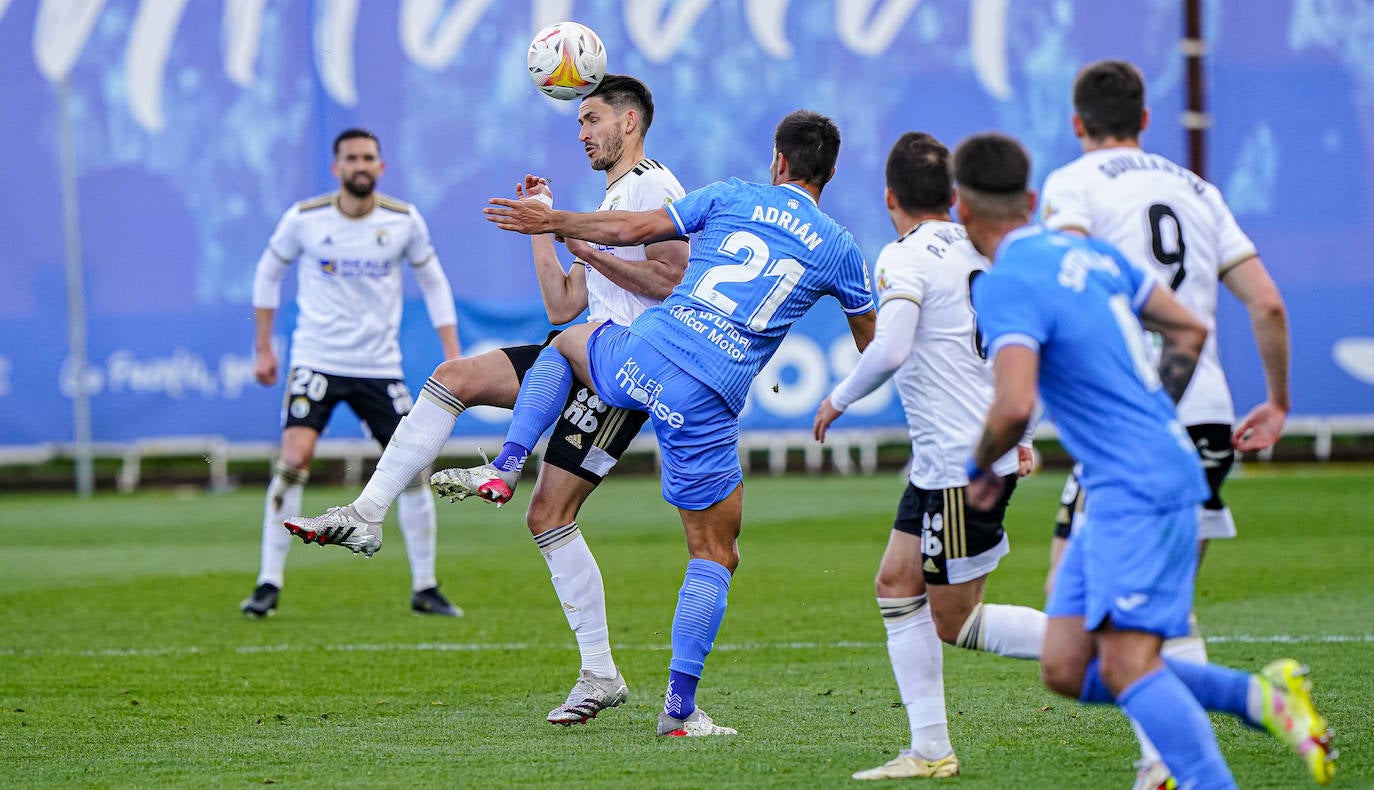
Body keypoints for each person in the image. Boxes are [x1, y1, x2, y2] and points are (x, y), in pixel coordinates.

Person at [434, 109, 877, 737]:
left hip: (644, 354)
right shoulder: (839, 247)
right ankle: (678, 709)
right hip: (706, 396)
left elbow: (632, 226)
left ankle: (507, 465)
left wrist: (553, 221)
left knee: (566, 344)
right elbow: (875, 345)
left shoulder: (731, 195)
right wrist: (857, 390)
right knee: (714, 552)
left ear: (776, 161)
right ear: (829, 172)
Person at [284, 76, 690, 725]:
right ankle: (366, 514)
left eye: (590, 119)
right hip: (583, 351)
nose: (581, 132)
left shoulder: (654, 188)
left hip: (627, 369)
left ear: (630, 121)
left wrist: (586, 244)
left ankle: (599, 671)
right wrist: (546, 224)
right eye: (579, 122)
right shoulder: (613, 195)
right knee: (455, 378)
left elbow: (671, 282)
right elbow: (562, 305)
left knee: (548, 512)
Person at [957, 132, 1335, 789]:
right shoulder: (1094, 256)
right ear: (1032, 199)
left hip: (1139, 485)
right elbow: (1190, 327)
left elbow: (1014, 405)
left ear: (961, 208)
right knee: (1066, 664)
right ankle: (1258, 700)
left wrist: (979, 469)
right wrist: (1154, 410)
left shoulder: (1005, 283)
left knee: (1130, 663)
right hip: (1128, 477)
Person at [1039, 59, 1293, 788]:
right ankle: (1202, 736)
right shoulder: (1198, 189)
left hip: (1133, 419)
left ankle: (1170, 766)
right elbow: (1267, 303)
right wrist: (1276, 403)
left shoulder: (1075, 184)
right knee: (1156, 615)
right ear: (1145, 120)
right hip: (1209, 417)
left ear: (1077, 123)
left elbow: (1075, 276)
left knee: (1078, 618)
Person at [812, 132, 1046, 780]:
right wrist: (1025, 434)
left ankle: (1100, 647)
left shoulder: (903, 255)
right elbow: (1022, 348)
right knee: (895, 583)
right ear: (953, 196)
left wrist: (836, 398)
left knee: (956, 620)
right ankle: (929, 748)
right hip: (953, 459)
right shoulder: (984, 252)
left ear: (891, 197)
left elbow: (888, 349)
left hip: (959, 466)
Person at [240, 128, 463, 619]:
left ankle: (426, 586)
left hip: (378, 367)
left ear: (380, 167)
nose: (360, 165)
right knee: (294, 459)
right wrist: (263, 347)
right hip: (317, 359)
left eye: (368, 158)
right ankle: (268, 582)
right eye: (351, 158)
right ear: (336, 167)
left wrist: (453, 353)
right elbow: (267, 272)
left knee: (411, 468)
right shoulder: (305, 219)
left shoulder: (403, 221)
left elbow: (434, 282)